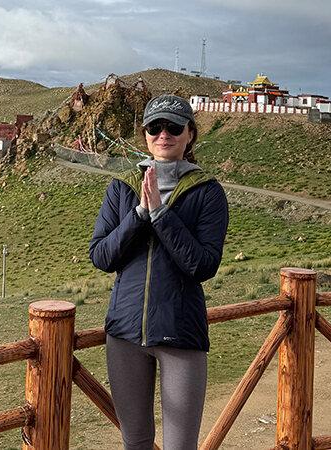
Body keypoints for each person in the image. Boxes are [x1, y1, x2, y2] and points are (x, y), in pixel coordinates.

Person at [89, 94, 229, 449]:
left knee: (180, 446)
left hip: (180, 334)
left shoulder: (208, 192)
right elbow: (102, 256)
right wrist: (137, 216)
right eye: (155, 127)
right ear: (145, 134)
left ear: (190, 134)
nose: (163, 134)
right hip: (124, 335)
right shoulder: (122, 188)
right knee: (135, 442)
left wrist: (162, 215)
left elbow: (202, 265)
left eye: (173, 127)